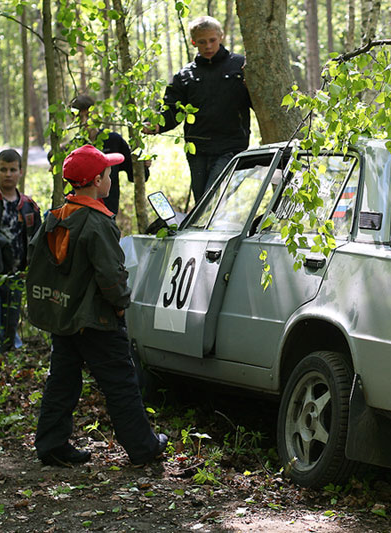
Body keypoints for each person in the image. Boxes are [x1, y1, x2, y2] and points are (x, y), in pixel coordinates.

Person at [26, 145, 167, 466]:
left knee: (62, 380)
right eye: (108, 173)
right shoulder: (97, 223)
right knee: (121, 383)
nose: (111, 178)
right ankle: (144, 447)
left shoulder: (56, 216)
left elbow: (35, 260)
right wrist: (120, 305)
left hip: (65, 318)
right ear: (95, 181)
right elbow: (111, 275)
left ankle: (50, 444)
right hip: (97, 321)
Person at [145, 15, 252, 203]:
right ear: (194, 42)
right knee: (201, 203)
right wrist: (156, 126)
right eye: (202, 42)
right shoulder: (185, 75)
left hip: (231, 146)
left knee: (212, 200)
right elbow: (172, 111)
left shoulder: (240, 66)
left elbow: (259, 101)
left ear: (221, 37)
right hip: (198, 150)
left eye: (212, 40)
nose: (208, 46)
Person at [0, 149, 41, 353]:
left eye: (12, 170)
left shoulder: (28, 206)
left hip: (16, 273)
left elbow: (37, 240)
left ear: (20, 172)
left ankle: (8, 357)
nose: (8, 174)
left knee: (11, 318)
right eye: (3, 169)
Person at [69, 94, 150, 215]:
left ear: (96, 114)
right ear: (73, 119)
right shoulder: (73, 147)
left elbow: (135, 175)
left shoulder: (113, 140)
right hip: (80, 213)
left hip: (108, 211)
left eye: (88, 115)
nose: (85, 121)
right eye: (80, 117)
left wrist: (144, 165)